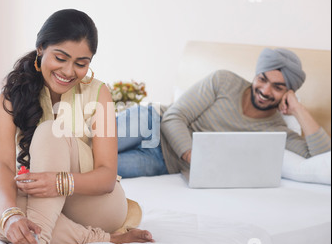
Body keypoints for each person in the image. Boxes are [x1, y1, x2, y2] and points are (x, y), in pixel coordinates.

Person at [0, 9, 153, 244]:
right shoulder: (9, 97)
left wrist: (60, 182)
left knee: (52, 131)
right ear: (41, 49)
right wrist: (11, 215)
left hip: (96, 203)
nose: (68, 71)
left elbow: (107, 178)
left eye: (81, 63)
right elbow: (2, 166)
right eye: (60, 58)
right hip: (49, 203)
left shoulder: (98, 93)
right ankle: (107, 240)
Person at [118, 48, 331, 177]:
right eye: (262, 79)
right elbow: (174, 117)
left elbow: (322, 159)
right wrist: (194, 157)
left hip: (163, 162)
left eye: (278, 87)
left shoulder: (276, 130)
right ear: (255, 75)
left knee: (94, 171)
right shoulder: (224, 81)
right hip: (152, 123)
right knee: (87, 149)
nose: (265, 91)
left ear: (289, 93)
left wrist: (298, 109)